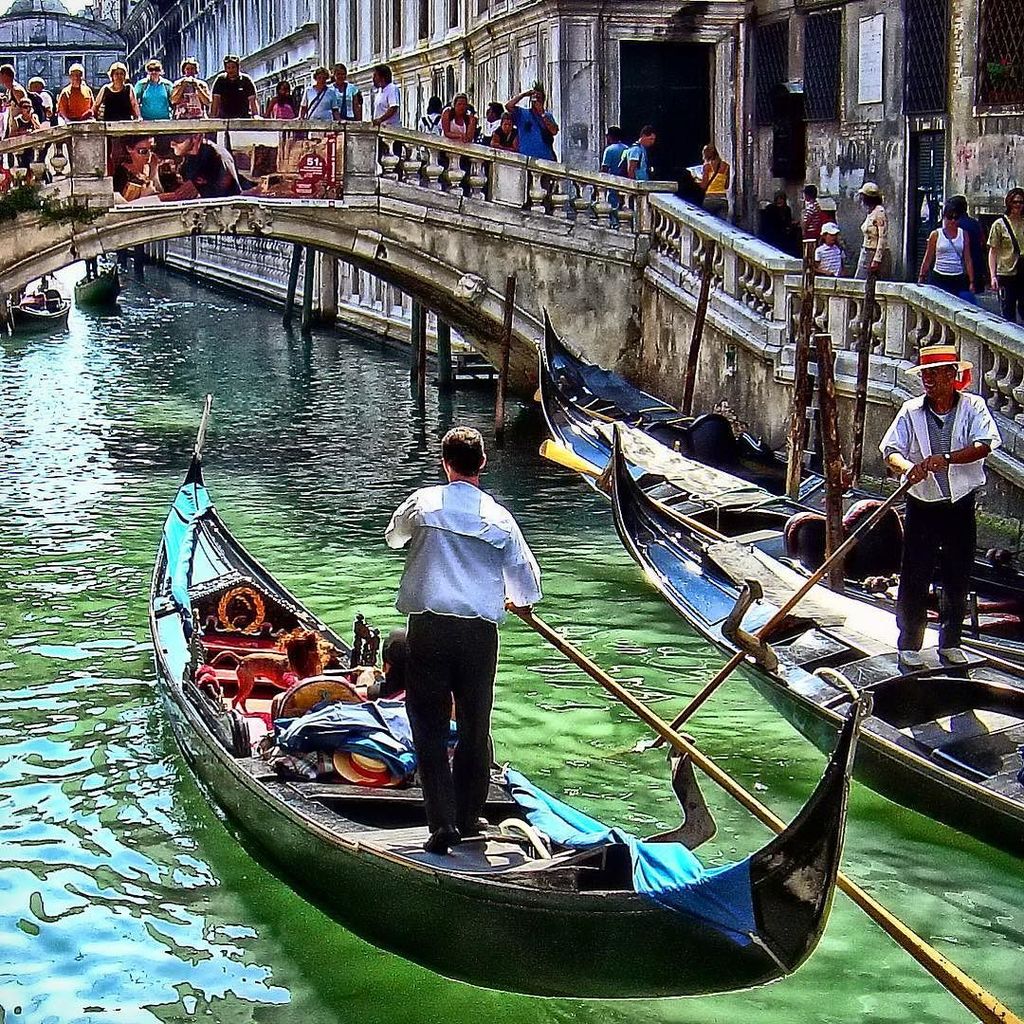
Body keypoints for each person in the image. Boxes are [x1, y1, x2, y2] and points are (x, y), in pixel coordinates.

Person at [385, 427, 542, 855]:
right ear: (483, 464)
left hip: (430, 628)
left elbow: (393, 537)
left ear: (444, 462)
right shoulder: (501, 519)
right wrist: (515, 599)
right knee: (476, 726)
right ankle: (469, 817)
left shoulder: (422, 504)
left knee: (428, 725)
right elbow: (528, 586)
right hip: (479, 635)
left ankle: (442, 823)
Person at [880, 344, 1000, 668]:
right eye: (925, 374)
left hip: (960, 504)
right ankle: (909, 644)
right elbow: (891, 450)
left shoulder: (973, 407)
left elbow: (983, 446)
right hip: (922, 504)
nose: (929, 380)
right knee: (914, 575)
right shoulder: (911, 411)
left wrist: (945, 459)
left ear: (952, 375)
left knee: (957, 575)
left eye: (935, 373)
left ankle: (951, 642)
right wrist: (908, 467)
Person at [918, 202, 975, 297]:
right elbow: (928, 257)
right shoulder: (936, 234)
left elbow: (968, 259)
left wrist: (971, 281)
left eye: (955, 218)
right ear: (944, 217)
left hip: (957, 277)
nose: (953, 221)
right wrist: (922, 276)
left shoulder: (963, 234)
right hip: (939, 276)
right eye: (949, 218)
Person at [987, 187, 1024, 324]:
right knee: (1008, 311)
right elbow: (993, 251)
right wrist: (993, 276)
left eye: (1021, 202)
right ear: (1009, 203)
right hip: (1006, 272)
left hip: (1022, 271)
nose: (1018, 205)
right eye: (1015, 202)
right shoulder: (999, 225)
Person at [165, 132, 241, 199]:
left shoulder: (216, 156)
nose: (172, 144)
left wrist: (198, 188)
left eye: (178, 138)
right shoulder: (187, 157)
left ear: (196, 136)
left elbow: (227, 192)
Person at [504, 85, 558, 160]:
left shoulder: (548, 116)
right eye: (535, 98)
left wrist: (542, 114)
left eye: (539, 98)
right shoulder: (522, 113)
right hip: (526, 158)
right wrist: (524, 95)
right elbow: (508, 106)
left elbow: (554, 131)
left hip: (546, 158)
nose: (536, 101)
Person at [948, 195, 986, 291]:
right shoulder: (976, 224)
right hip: (977, 266)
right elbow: (983, 243)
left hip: (961, 269)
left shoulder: (956, 226)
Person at [856, 181, 890, 279]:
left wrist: (877, 259)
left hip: (874, 252)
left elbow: (882, 237)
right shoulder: (870, 211)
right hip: (866, 250)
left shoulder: (879, 212)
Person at [112, 134, 161, 201]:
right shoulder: (122, 175)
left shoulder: (152, 164)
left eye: (152, 149)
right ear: (129, 149)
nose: (149, 155)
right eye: (143, 151)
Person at [700, 143, 730, 218]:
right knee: (722, 225)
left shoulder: (707, 166)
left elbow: (703, 186)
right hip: (723, 199)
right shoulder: (726, 166)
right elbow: (726, 186)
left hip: (709, 199)